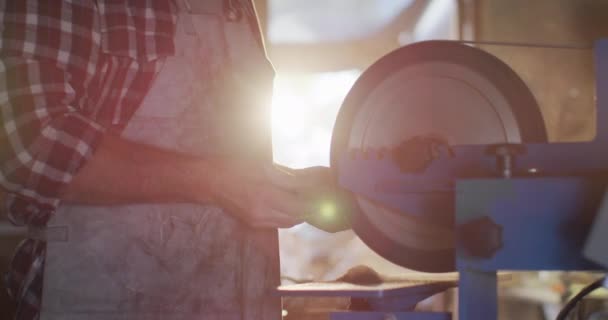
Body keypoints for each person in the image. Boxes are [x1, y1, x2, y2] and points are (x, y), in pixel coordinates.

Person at [0, 1, 329, 319]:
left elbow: (231, 167)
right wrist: (217, 183)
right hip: (105, 299)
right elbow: (32, 146)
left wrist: (288, 186)